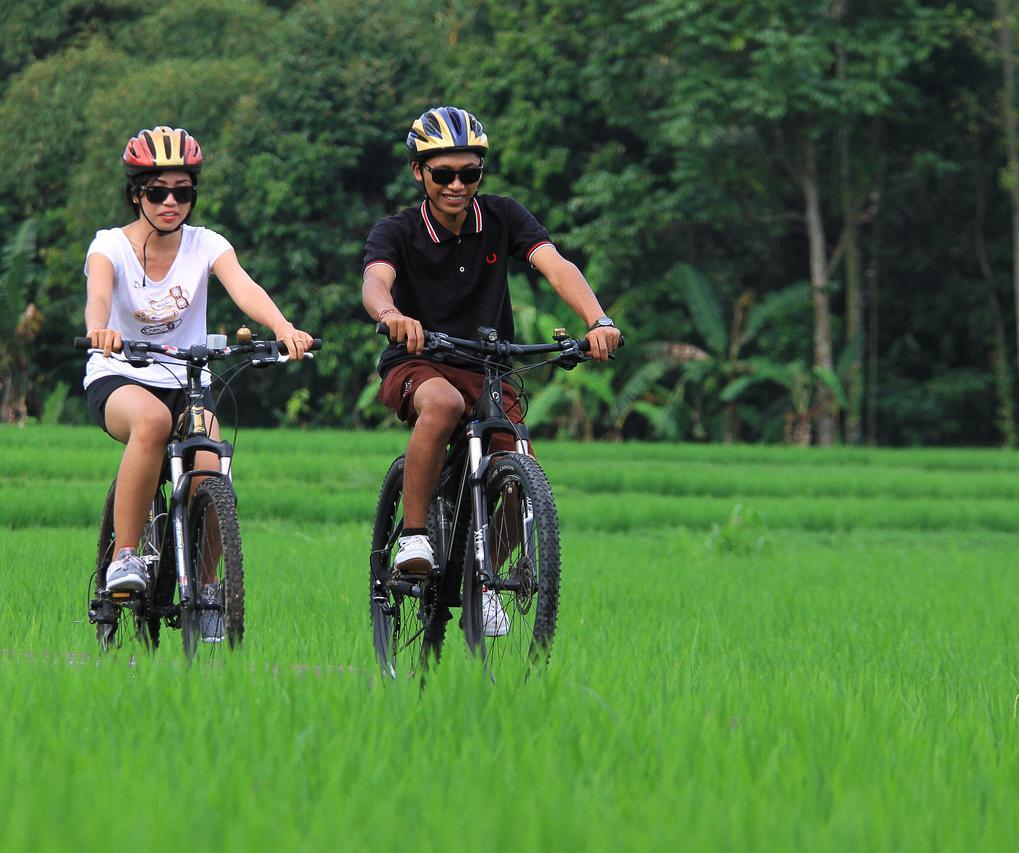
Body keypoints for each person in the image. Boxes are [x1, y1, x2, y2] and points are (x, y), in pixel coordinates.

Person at [361, 106, 622, 636]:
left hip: (487, 365)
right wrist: (391, 316)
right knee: (443, 404)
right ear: (419, 173)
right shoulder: (398, 230)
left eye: (469, 174)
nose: (457, 185)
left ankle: (484, 582)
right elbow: (375, 282)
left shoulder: (503, 216)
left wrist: (597, 319)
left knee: (517, 466)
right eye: (443, 174)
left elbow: (555, 264)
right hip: (418, 360)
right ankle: (414, 535)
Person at [83, 125, 313, 639]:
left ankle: (206, 587)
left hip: (185, 377)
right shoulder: (109, 247)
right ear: (135, 193)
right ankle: (125, 557)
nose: (170, 202)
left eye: (182, 192)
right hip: (120, 374)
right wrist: (99, 331)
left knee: (210, 460)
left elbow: (243, 287)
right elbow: (98, 295)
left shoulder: (207, 245)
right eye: (157, 192)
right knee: (151, 421)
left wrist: (283, 329)